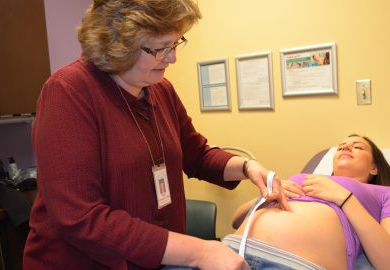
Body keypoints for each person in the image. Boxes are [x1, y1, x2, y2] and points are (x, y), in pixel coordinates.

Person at [22, 1, 289, 269]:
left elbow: (197, 155)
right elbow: (79, 217)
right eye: (161, 48)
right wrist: (199, 252)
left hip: (154, 260)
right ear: (118, 45)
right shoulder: (68, 92)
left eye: (175, 44)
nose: (172, 57)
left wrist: (248, 167)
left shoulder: (161, 90)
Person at [227, 134, 390, 270]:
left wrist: (345, 199)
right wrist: (267, 195)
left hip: (294, 264)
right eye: (341, 146)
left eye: (357, 146)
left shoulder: (386, 193)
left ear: (374, 168)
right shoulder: (305, 178)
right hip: (232, 251)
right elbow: (236, 220)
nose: (345, 147)